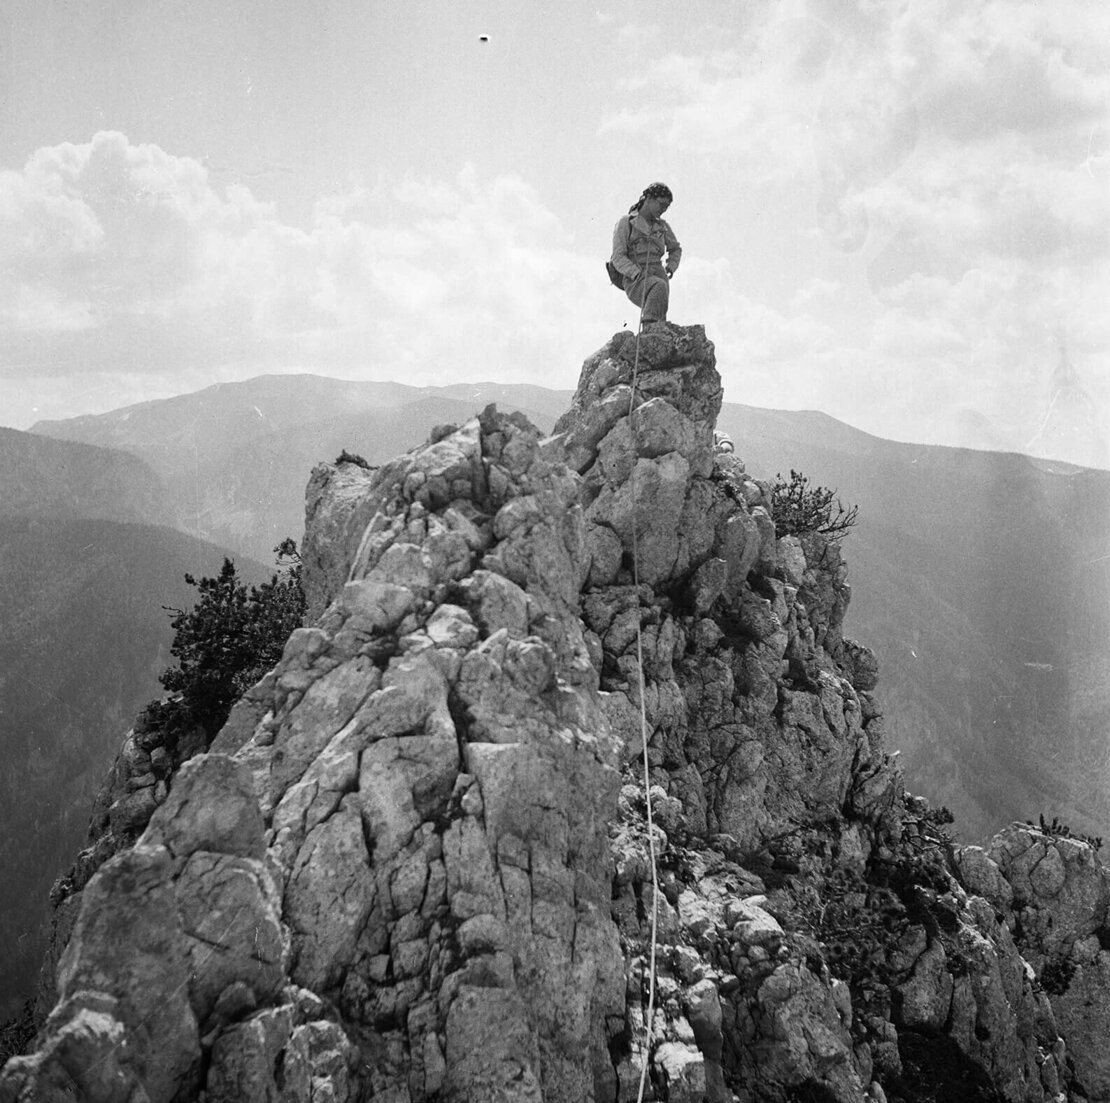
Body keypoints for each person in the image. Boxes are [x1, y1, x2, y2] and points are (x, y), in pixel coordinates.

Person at [610, 182, 682, 327]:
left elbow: (676, 249)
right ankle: (649, 331)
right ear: (649, 198)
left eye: (666, 207)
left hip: (659, 273)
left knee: (660, 313)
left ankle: (655, 336)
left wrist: (670, 267)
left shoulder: (663, 227)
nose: (663, 210)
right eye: (661, 204)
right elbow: (618, 256)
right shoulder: (627, 223)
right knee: (658, 288)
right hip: (636, 276)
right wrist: (635, 273)